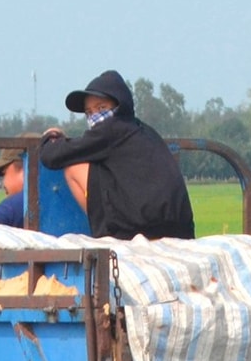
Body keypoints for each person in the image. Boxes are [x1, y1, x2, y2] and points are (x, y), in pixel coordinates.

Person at [39, 70, 195, 240]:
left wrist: (50, 137)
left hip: (143, 230)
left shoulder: (111, 129)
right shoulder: (144, 132)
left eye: (101, 108)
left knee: (73, 168)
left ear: (120, 106)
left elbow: (52, 156)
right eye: (89, 112)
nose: (95, 117)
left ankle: (107, 234)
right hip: (181, 229)